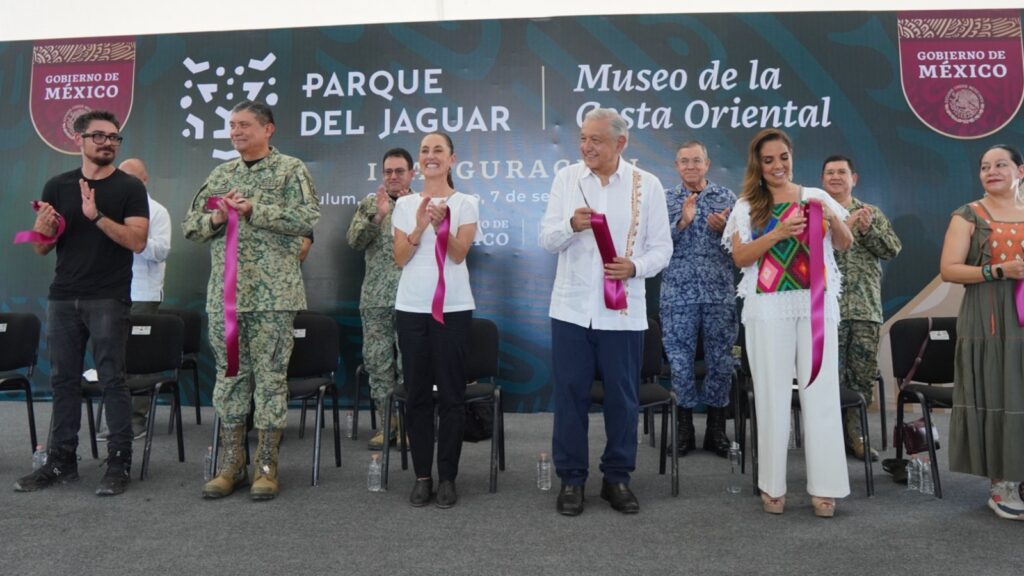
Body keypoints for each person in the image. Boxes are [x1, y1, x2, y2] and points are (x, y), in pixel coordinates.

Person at [183, 100, 320, 501]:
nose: (236, 131)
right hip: (224, 300)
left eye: (244, 125)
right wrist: (217, 219)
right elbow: (192, 227)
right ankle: (231, 464)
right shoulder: (221, 174)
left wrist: (255, 209)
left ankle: (265, 466)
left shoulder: (291, 169)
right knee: (229, 381)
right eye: (232, 125)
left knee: (272, 381)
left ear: (268, 129)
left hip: (273, 298)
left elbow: (306, 216)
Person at [540, 108, 672, 516]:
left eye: (595, 139)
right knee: (570, 396)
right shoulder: (567, 180)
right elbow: (546, 239)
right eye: (582, 138)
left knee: (622, 399)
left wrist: (636, 268)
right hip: (572, 310)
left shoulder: (645, 185)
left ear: (621, 143)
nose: (586, 147)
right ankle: (571, 480)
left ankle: (617, 478)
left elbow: (662, 249)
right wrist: (570, 226)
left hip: (623, 313)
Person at [14, 110, 149, 496]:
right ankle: (61, 462)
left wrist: (96, 216)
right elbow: (42, 249)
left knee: (112, 379)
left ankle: (118, 463)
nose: (108, 142)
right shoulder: (57, 186)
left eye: (114, 137)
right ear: (80, 139)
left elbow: (137, 241)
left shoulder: (129, 188)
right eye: (100, 136)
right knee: (62, 381)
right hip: (63, 297)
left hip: (108, 297)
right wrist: (41, 231)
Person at [723, 128, 852, 517]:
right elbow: (741, 257)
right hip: (767, 309)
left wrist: (832, 217)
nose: (778, 166)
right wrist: (777, 233)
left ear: (792, 157)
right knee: (771, 394)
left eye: (783, 157)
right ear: (758, 166)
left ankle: (825, 487)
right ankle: (772, 485)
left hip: (816, 306)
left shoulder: (816, 196)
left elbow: (844, 243)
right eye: (768, 160)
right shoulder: (747, 205)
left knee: (821, 392)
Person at [392, 132, 477, 509]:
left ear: (451, 159)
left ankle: (448, 477)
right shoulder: (405, 203)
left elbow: (458, 255)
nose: (430, 156)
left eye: (437, 150)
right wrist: (421, 225)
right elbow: (399, 257)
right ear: (418, 163)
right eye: (424, 151)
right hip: (411, 309)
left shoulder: (467, 203)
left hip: (454, 308)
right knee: (417, 396)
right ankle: (422, 476)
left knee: (453, 397)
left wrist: (443, 225)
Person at [939, 144, 1024, 521]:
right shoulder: (968, 215)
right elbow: (950, 270)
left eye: (1001, 164)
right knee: (998, 388)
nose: (992, 171)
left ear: (1020, 171)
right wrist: (998, 271)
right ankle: (1002, 483)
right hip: (989, 319)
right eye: (985, 166)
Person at [821, 155, 901, 462]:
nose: (836, 177)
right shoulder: (817, 213)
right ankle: (827, 437)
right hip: (828, 309)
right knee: (830, 377)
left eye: (842, 172)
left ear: (854, 178)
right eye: (830, 173)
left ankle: (856, 436)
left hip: (865, 309)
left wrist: (868, 231)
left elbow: (892, 249)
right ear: (822, 179)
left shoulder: (871, 212)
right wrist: (843, 228)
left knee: (861, 378)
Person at [660, 140, 737, 458]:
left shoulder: (726, 198)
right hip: (678, 296)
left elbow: (743, 247)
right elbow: (654, 247)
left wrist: (724, 231)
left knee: (721, 362)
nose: (690, 166)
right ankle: (685, 429)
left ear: (707, 164)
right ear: (677, 166)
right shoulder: (665, 200)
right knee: (680, 365)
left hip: (719, 294)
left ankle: (717, 430)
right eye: (684, 161)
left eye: (696, 161)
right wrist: (682, 222)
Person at [347, 147, 414, 450]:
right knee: (378, 363)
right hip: (375, 298)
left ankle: (411, 425)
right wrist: (378, 217)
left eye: (399, 171)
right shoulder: (370, 204)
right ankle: (388, 423)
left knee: (409, 363)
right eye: (388, 171)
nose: (393, 177)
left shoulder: (422, 206)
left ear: (412, 174)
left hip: (412, 298)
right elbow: (354, 241)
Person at [120, 158, 172, 439]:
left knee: (138, 358)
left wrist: (132, 239)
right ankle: (117, 418)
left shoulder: (158, 212)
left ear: (145, 180)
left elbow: (162, 251)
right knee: (115, 358)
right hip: (113, 293)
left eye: (133, 179)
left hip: (143, 293)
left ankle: (136, 419)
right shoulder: (112, 209)